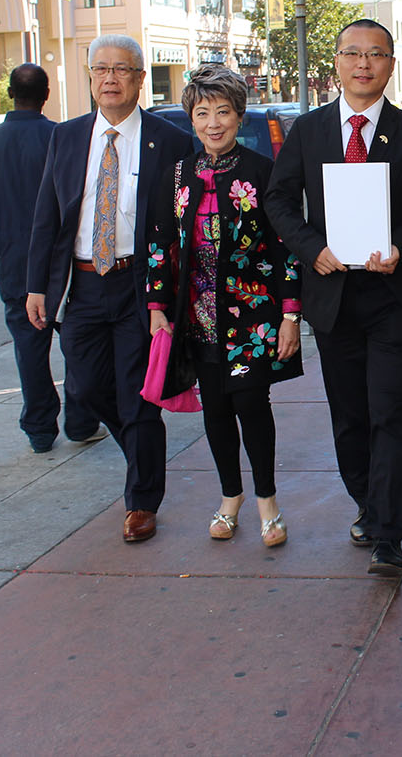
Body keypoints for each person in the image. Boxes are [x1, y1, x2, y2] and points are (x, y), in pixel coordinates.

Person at [264, 19, 402, 578]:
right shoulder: (309, 130)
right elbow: (278, 201)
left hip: (391, 294)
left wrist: (400, 247)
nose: (363, 64)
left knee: (389, 410)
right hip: (333, 295)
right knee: (349, 416)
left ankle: (389, 533)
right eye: (352, 53)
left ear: (391, 64)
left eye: (375, 54)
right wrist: (311, 249)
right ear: (337, 62)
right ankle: (367, 503)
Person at [27, 35, 185, 544]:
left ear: (140, 78)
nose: (110, 78)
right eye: (101, 69)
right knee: (86, 388)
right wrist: (37, 287)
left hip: (141, 285)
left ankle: (142, 501)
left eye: (121, 69)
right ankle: (143, 451)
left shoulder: (169, 140)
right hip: (84, 286)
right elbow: (47, 215)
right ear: (91, 77)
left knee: (139, 399)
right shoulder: (67, 136)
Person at [146, 65, 304, 547]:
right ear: (191, 119)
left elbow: (285, 248)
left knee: (252, 404)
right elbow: (160, 244)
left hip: (254, 314)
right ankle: (229, 496)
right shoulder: (177, 176)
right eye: (202, 113)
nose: (213, 123)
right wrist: (157, 306)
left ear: (238, 116)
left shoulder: (262, 172)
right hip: (197, 316)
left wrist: (290, 315)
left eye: (223, 112)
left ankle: (267, 502)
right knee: (215, 408)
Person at [0, 64, 101, 454]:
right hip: (64, 265)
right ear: (47, 95)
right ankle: (81, 421)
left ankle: (40, 429)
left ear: (10, 93)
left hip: (14, 265)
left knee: (29, 349)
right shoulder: (62, 137)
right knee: (76, 345)